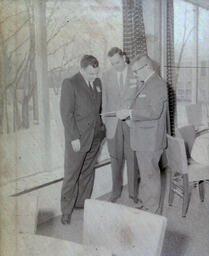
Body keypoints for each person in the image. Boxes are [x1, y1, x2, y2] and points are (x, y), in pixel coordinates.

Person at [60, 55, 105, 224]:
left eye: (96, 73)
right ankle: (66, 211)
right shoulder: (70, 83)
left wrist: (101, 128)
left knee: (88, 171)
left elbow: (98, 108)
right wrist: (74, 137)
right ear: (82, 69)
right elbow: (66, 114)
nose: (94, 77)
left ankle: (82, 203)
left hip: (95, 136)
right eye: (91, 74)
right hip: (78, 139)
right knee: (71, 174)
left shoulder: (98, 83)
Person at [120, 55, 168, 213]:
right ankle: (147, 203)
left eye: (136, 71)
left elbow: (154, 112)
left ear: (147, 67)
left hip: (150, 141)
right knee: (146, 175)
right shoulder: (147, 83)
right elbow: (144, 106)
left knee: (150, 177)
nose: (135, 75)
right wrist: (130, 117)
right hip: (144, 139)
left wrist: (131, 113)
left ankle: (152, 211)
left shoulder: (156, 84)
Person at [102, 47, 140, 204]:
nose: (115, 65)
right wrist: (106, 121)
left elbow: (140, 98)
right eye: (112, 63)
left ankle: (133, 194)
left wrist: (131, 113)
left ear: (124, 57)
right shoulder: (106, 76)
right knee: (115, 159)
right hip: (113, 124)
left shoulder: (135, 72)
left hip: (131, 122)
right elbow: (104, 101)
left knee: (132, 159)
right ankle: (115, 192)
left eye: (117, 62)